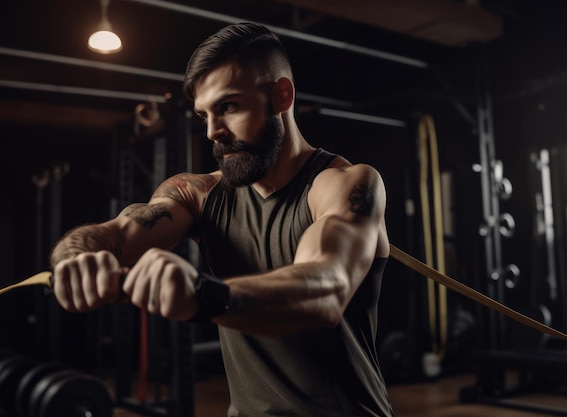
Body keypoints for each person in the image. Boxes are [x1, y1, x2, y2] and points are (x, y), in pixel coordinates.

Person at [50, 22, 393, 417]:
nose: (213, 131)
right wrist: (75, 259)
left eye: (229, 106)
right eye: (204, 115)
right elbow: (116, 233)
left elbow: (325, 290)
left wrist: (203, 295)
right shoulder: (196, 193)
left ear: (281, 96)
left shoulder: (345, 185)